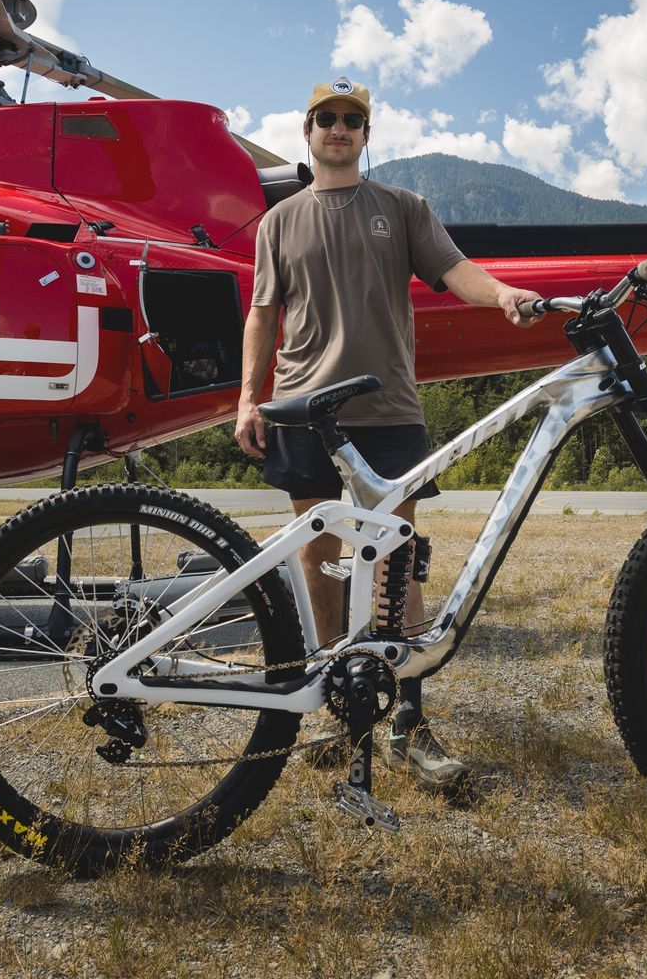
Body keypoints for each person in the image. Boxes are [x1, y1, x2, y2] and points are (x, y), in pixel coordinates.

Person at [235, 76, 542, 790]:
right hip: (302, 407)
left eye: (351, 120)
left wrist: (501, 295)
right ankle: (343, 709)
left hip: (388, 409)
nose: (338, 129)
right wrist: (250, 398)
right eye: (326, 119)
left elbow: (455, 269)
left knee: (397, 564)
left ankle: (409, 719)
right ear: (307, 132)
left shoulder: (403, 209)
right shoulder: (278, 222)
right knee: (318, 559)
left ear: (366, 136)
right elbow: (261, 315)